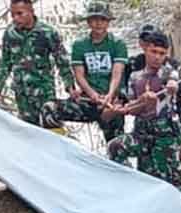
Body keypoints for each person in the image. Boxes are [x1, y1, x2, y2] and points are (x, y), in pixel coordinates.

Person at [108, 31, 181, 194]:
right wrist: (141, 101)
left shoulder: (169, 72)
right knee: (116, 147)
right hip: (142, 134)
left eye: (162, 53)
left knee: (173, 184)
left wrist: (172, 85)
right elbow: (133, 109)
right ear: (145, 49)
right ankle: (128, 188)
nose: (157, 57)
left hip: (166, 138)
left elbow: (174, 78)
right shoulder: (134, 77)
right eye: (154, 52)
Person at [41, 2, 127, 141]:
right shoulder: (80, 45)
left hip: (111, 101)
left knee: (115, 144)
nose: (98, 23)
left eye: (103, 19)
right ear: (88, 21)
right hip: (88, 100)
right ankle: (58, 146)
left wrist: (110, 95)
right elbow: (79, 75)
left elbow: (117, 73)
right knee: (50, 109)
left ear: (108, 22)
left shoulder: (118, 44)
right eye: (94, 19)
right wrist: (92, 94)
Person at [0, 0, 74, 126]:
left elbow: (62, 62)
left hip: (43, 92)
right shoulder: (10, 34)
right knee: (27, 130)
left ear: (31, 11)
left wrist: (70, 86)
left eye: (20, 13)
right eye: (13, 15)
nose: (15, 18)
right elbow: (5, 63)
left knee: (51, 127)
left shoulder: (47, 32)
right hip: (22, 94)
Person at [129, 24, 181, 146]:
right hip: (143, 124)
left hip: (166, 125)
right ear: (141, 43)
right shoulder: (134, 63)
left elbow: (180, 96)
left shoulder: (171, 65)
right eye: (145, 40)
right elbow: (129, 98)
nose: (157, 56)